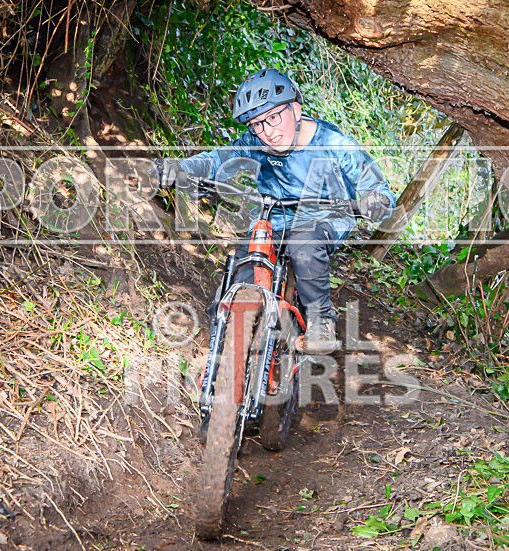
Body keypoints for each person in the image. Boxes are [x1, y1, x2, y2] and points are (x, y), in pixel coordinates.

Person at [156, 68, 395, 354]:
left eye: (273, 117)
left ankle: (321, 319)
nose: (268, 131)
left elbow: (378, 187)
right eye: (257, 124)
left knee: (304, 243)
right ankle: (225, 343)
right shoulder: (256, 142)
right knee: (245, 262)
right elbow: (218, 158)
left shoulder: (334, 144)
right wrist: (181, 168)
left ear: (295, 109)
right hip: (274, 217)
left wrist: (375, 200)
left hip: (323, 217)